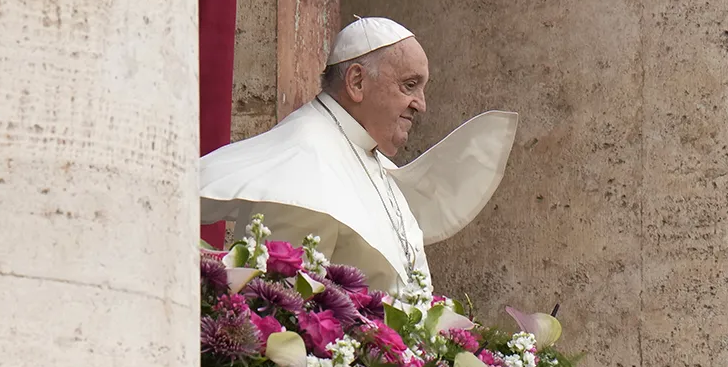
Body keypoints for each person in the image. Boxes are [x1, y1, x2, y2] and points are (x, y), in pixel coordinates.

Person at [199, 17, 518, 293]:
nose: (421, 104)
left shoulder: (367, 154)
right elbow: (281, 309)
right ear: (356, 81)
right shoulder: (303, 166)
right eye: (409, 85)